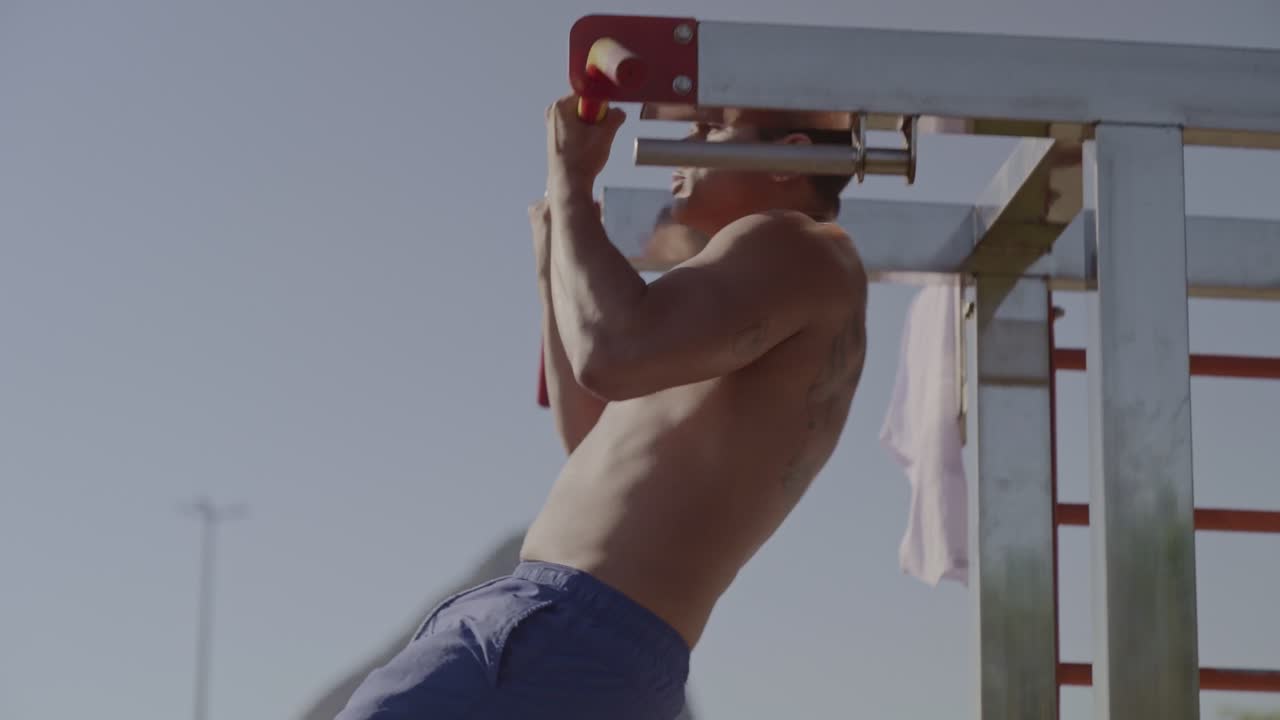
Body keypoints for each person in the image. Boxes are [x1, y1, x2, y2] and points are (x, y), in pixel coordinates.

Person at [335, 96, 869, 720]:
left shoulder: (792, 242)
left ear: (788, 159)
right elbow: (592, 438)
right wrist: (554, 266)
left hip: (563, 631)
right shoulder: (761, 283)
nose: (686, 142)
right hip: (598, 647)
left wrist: (571, 178)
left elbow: (609, 353)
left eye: (710, 128)